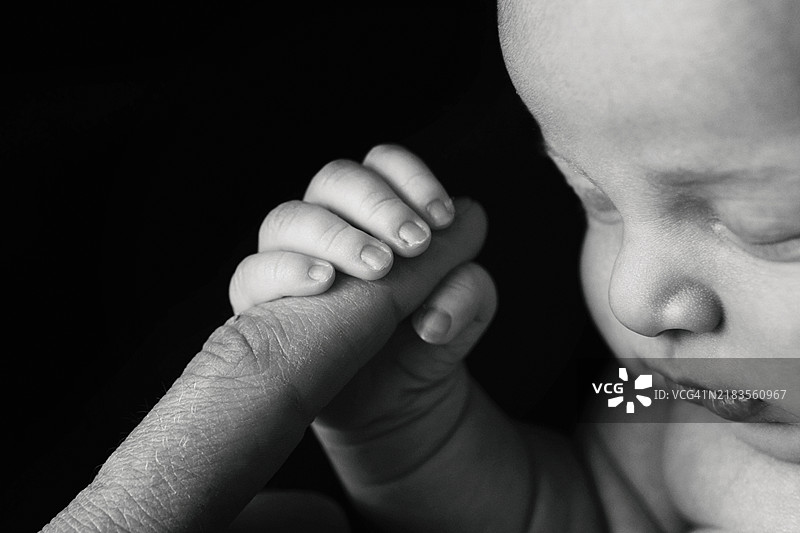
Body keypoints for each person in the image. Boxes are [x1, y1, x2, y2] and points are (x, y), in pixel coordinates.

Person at [42, 0, 799, 531]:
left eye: (766, 226)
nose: (630, 295)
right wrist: (403, 427)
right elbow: (579, 511)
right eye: (594, 201)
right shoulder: (676, 399)